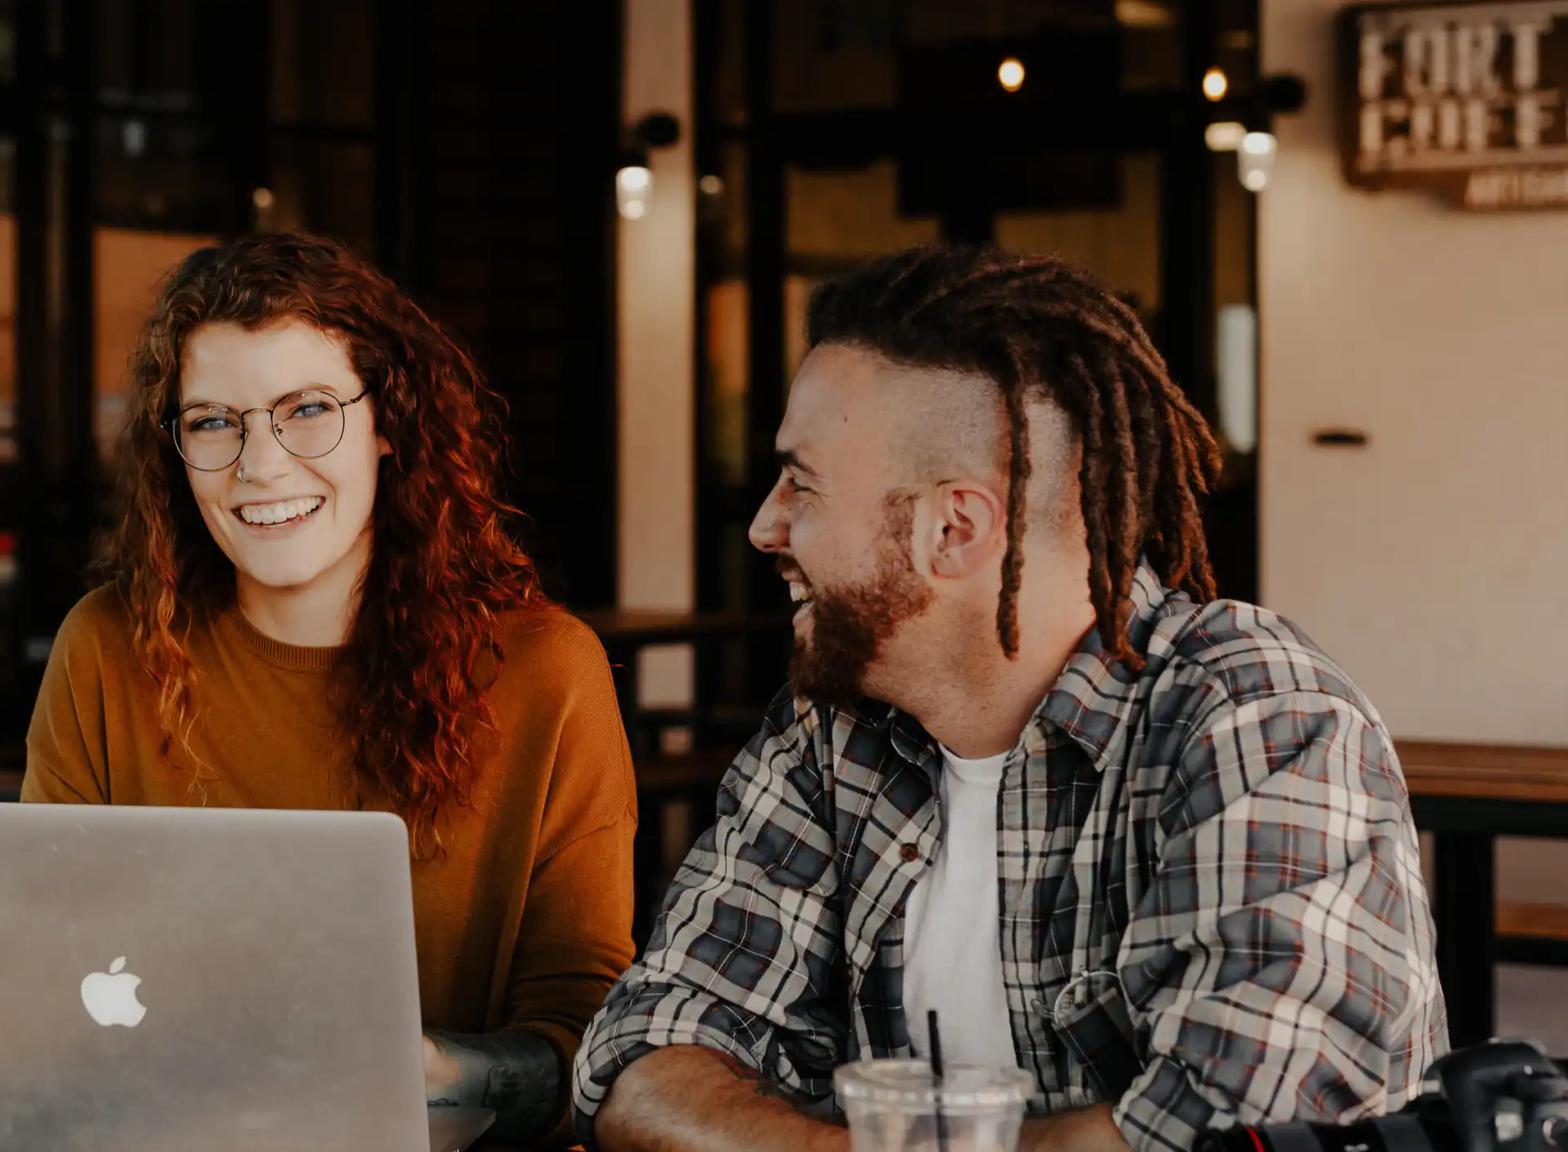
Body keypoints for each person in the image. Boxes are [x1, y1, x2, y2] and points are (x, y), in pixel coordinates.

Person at [573, 243, 1446, 1152]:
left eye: (803, 482)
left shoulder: (1258, 719)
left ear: (953, 529)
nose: (765, 525)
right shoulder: (830, 732)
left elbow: (1236, 1129)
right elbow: (642, 1058)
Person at [24, 232, 636, 1147]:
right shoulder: (107, 647)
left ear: (389, 423)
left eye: (307, 409)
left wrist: (433, 1072)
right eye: (213, 421)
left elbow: (587, 1038)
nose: (260, 465)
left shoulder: (545, 671)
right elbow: (33, 961)